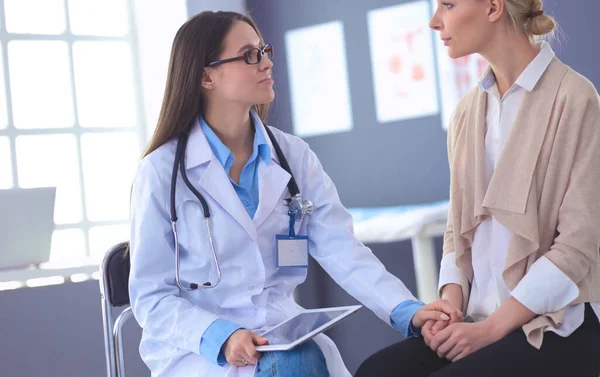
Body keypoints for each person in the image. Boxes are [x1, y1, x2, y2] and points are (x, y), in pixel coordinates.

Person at [128, 11, 459, 377]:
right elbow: (151, 298)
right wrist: (220, 336)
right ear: (206, 75)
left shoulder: (293, 156)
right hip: (199, 353)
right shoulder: (161, 173)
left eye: (264, 50)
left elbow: (341, 249)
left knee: (302, 362)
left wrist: (405, 309)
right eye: (250, 54)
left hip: (284, 338)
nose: (267, 62)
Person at [356, 0, 600, 376]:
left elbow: (577, 246)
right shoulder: (467, 112)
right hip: (476, 319)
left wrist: (490, 329)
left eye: (448, 5)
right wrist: (449, 309)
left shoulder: (575, 99)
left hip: (552, 326)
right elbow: (457, 232)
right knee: (377, 371)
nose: (435, 21)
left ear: (492, 7)